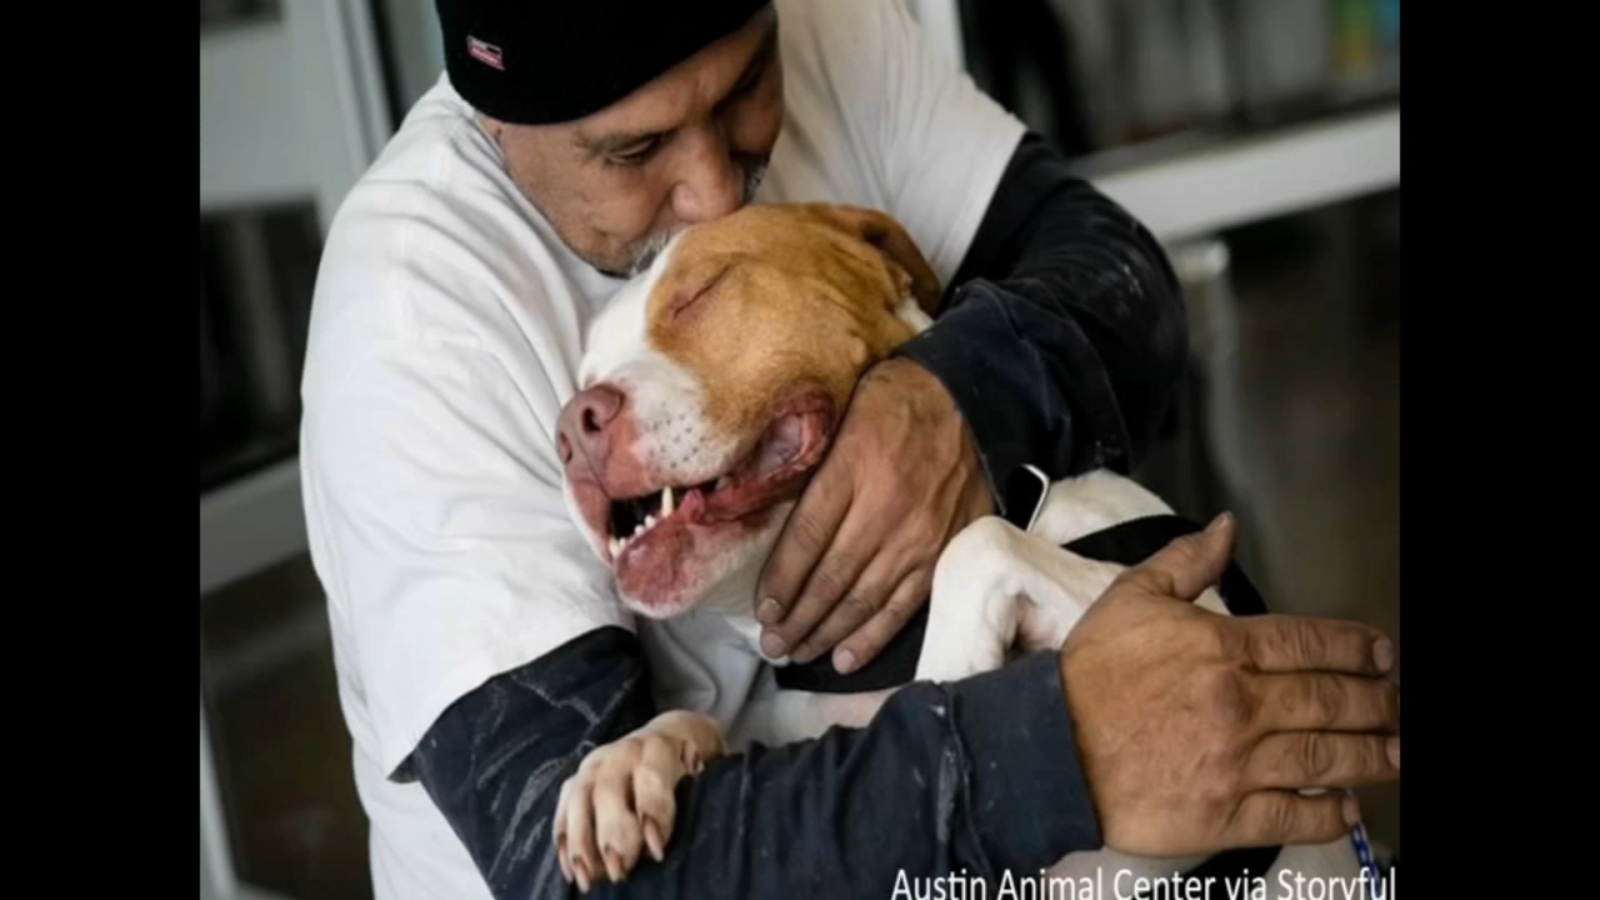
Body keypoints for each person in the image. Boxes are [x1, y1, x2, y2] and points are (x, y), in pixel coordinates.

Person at [298, 1, 1401, 898]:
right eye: (633, 151)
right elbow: (587, 877)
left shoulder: (827, 27)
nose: (718, 191)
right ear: (498, 129)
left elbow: (1120, 280)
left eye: (743, 93)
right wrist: (1055, 751)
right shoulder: (414, 309)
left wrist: (960, 389)